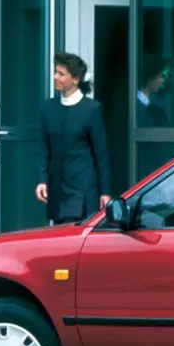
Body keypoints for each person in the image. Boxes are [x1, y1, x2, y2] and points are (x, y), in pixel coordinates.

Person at [35, 52, 112, 225]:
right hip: (57, 189)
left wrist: (105, 192)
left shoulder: (92, 109)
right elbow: (43, 148)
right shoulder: (47, 108)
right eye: (55, 72)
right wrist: (41, 180)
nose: (55, 77)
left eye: (61, 74)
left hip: (83, 189)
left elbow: (101, 154)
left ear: (75, 79)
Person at [136, 58, 170, 128]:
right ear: (151, 76)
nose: (163, 80)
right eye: (162, 76)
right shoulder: (136, 107)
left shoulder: (151, 108)